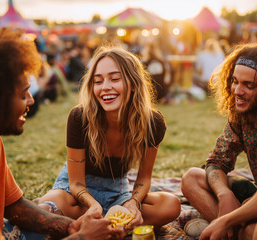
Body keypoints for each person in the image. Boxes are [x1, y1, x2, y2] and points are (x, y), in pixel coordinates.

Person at [0, 28, 123, 240]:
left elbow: (14, 206)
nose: (31, 101)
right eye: (23, 94)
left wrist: (70, 227)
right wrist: (83, 238)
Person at [37, 45, 181, 232]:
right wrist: (92, 205)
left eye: (115, 79)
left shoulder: (153, 123)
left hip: (117, 192)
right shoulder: (79, 117)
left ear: (133, 83)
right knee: (51, 203)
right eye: (98, 81)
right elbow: (75, 183)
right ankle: (108, 226)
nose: (105, 87)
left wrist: (134, 202)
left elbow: (144, 178)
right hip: (77, 196)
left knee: (171, 205)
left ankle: (95, 227)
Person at [181, 43, 257, 239]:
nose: (237, 90)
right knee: (191, 178)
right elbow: (217, 161)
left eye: (248, 85)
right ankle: (233, 231)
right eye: (235, 81)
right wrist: (224, 194)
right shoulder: (241, 117)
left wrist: (239, 214)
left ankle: (226, 229)